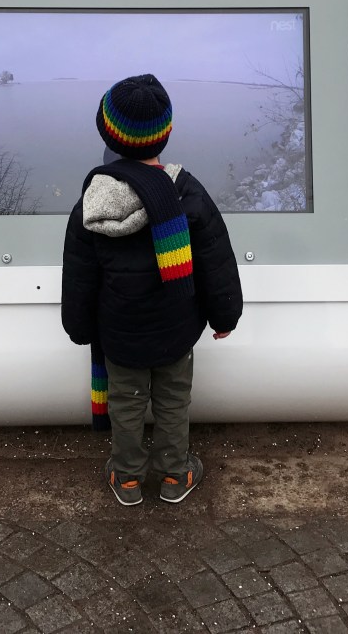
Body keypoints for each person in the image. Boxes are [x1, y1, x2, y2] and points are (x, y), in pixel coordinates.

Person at [61, 74, 243, 506]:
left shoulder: (91, 203)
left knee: (125, 401)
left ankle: (126, 479)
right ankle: (175, 475)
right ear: (167, 132)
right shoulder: (187, 192)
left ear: (106, 131)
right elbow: (216, 258)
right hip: (175, 326)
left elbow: (80, 274)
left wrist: (79, 325)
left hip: (120, 333)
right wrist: (225, 316)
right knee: (173, 399)